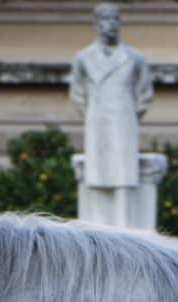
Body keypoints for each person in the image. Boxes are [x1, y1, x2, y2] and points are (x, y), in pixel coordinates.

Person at [69, 2, 154, 227]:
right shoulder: (84, 58)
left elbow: (144, 93)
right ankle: (98, 230)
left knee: (124, 179)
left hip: (124, 122)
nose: (111, 25)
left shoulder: (134, 57)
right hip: (97, 123)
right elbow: (77, 93)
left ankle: (124, 227)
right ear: (97, 25)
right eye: (106, 20)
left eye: (115, 19)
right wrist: (92, 114)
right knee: (97, 180)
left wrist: (130, 114)